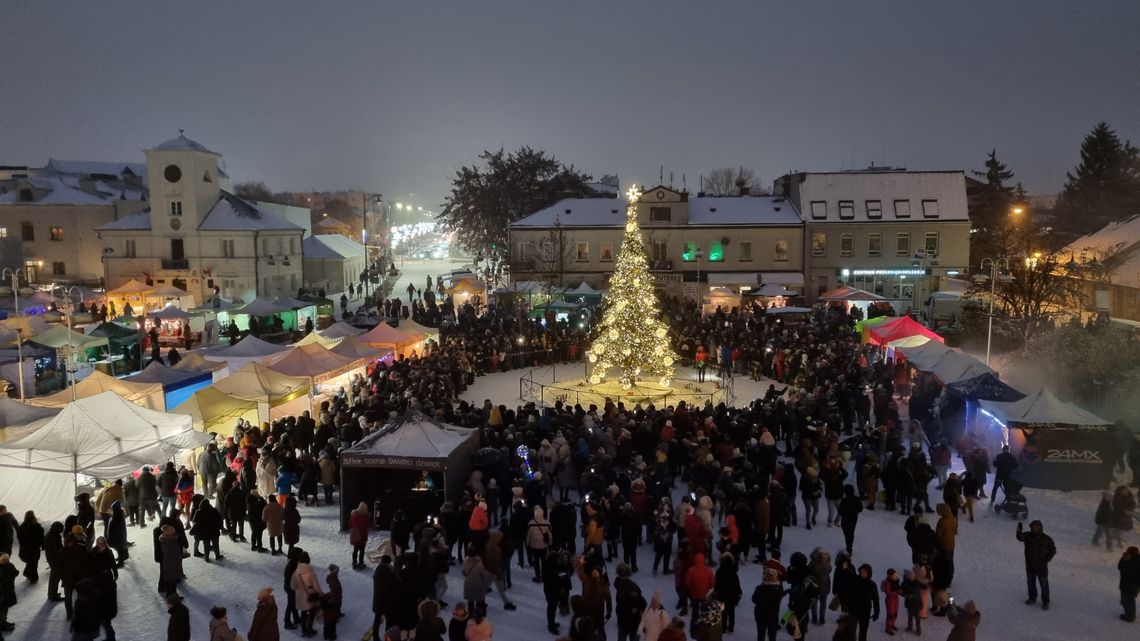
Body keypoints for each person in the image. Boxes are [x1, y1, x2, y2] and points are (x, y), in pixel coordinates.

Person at [1015, 520, 1056, 610]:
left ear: (1040, 527)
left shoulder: (1046, 539)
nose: (1034, 529)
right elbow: (1019, 537)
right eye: (1032, 527)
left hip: (1042, 567)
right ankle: (1032, 598)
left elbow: (1053, 550)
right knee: (1030, 583)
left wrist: (1046, 559)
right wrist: (1019, 529)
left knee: (1044, 585)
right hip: (1030, 565)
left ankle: (1046, 602)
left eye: (1036, 527)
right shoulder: (1028, 535)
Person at [847, 564, 879, 641]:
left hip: (865, 611)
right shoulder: (854, 579)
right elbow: (848, 592)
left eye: (864, 571)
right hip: (853, 609)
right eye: (861, 570)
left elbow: (876, 599)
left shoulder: (872, 584)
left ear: (869, 573)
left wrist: (876, 612)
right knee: (851, 631)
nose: (862, 572)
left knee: (863, 633)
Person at [16, 511, 43, 583]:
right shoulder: (37, 526)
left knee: (29, 562)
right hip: (34, 549)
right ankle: (33, 578)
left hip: (24, 550)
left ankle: (27, 573)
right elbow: (41, 538)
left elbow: (19, 537)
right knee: (34, 564)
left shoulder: (22, 527)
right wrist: (42, 545)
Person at [837, 485, 864, 554]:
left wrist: (844, 514)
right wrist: (855, 511)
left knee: (847, 533)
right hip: (853, 519)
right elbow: (861, 509)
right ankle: (849, 547)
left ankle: (848, 547)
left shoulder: (844, 500)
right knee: (851, 533)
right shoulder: (857, 499)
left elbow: (840, 511)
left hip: (845, 519)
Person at [1119, 546, 1140, 622]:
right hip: (1132, 586)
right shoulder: (1133, 559)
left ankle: (1130, 617)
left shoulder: (1130, 562)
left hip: (1128, 586)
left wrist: (1124, 558)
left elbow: (1120, 567)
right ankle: (1130, 615)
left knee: (1128, 602)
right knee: (1128, 601)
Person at [349, 502, 372, 569]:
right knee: (362, 550)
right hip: (362, 536)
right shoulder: (365, 518)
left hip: (355, 536)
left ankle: (354, 562)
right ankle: (361, 563)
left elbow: (350, 525)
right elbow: (369, 525)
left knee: (355, 550)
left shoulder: (353, 516)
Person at [880, 568, 900, 636]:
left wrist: (900, 591)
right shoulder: (887, 582)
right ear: (889, 575)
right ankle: (888, 628)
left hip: (896, 600)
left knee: (895, 613)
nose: (894, 576)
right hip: (890, 601)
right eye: (893, 575)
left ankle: (892, 625)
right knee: (890, 615)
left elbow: (898, 588)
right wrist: (895, 592)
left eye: (895, 575)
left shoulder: (895, 581)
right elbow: (888, 592)